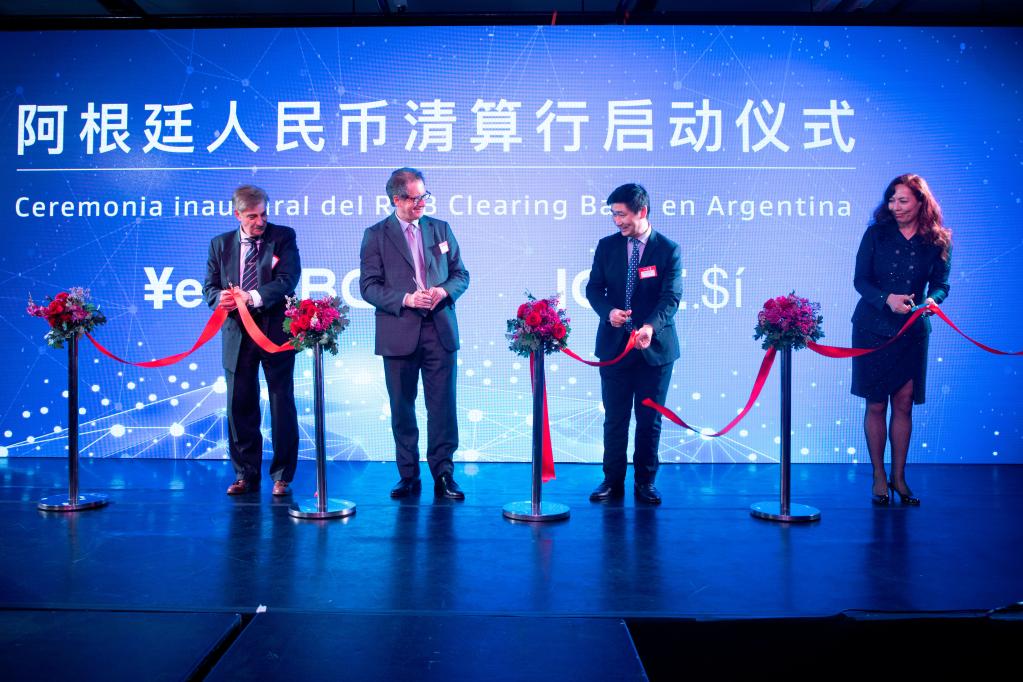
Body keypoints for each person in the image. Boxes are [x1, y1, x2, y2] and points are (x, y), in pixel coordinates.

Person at [360, 168, 470, 500]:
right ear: (397, 199)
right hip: (398, 331)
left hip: (440, 329)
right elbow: (368, 287)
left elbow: (461, 275)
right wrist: (406, 299)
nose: (421, 203)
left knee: (443, 407)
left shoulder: (441, 228)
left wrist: (442, 291)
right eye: (414, 198)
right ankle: (408, 475)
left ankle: (444, 473)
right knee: (402, 407)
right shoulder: (376, 235)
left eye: (424, 196)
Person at [851, 174, 951, 506]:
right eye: (892, 200)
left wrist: (932, 300)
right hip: (872, 327)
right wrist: (886, 300)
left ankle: (899, 476)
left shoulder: (937, 240)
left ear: (921, 202)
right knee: (876, 403)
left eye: (903, 200)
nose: (895, 206)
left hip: (912, 329)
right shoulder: (876, 233)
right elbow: (860, 280)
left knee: (904, 403)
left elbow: (941, 285)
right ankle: (879, 476)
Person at [585, 183, 683, 505]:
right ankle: (611, 481)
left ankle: (645, 482)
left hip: (654, 351)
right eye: (613, 215)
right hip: (614, 349)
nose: (617, 221)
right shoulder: (607, 246)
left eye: (622, 214)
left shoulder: (667, 249)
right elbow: (593, 289)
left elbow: (671, 297)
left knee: (649, 421)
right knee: (615, 418)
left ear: (641, 211)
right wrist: (608, 312)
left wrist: (650, 327)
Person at [203, 185, 301, 496]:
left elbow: (287, 280)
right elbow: (209, 287)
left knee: (281, 403)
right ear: (238, 215)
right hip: (236, 335)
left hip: (275, 332)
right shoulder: (220, 244)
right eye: (252, 217)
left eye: (263, 214)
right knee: (239, 405)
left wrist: (253, 297)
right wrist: (221, 297)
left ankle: (282, 476)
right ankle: (245, 474)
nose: (260, 221)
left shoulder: (283, 237)